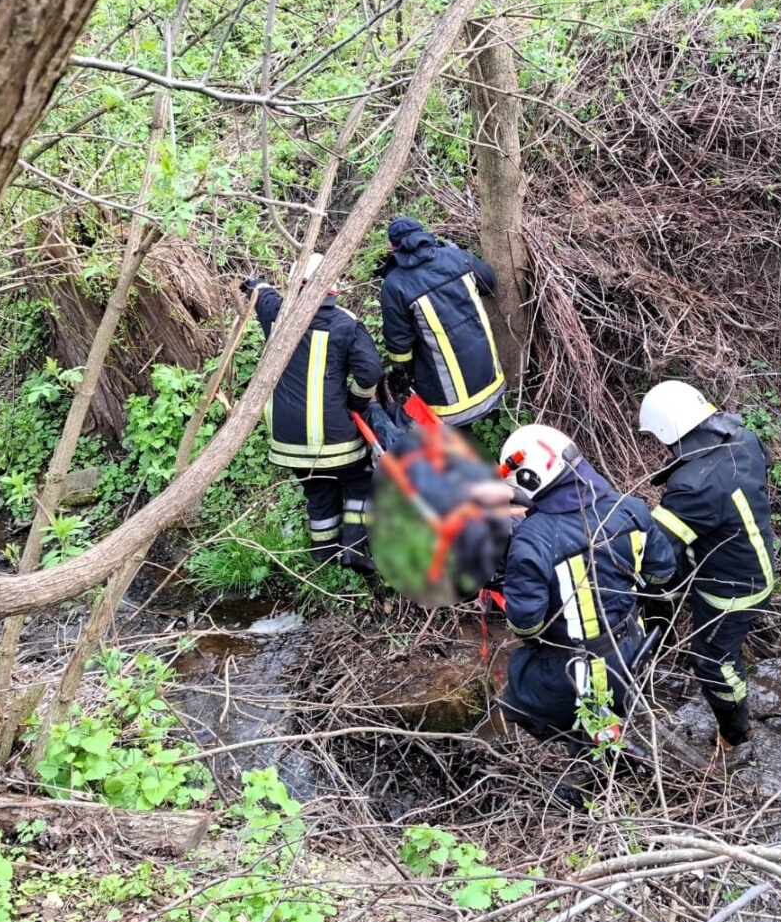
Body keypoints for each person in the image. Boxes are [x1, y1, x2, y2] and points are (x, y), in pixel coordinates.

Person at [495, 424, 677, 748]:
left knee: (518, 691)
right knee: (606, 732)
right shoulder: (630, 508)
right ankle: (610, 756)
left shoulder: (532, 539)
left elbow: (527, 624)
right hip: (633, 650)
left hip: (576, 671)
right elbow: (662, 573)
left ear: (530, 479)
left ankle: (593, 770)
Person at [639, 381, 776, 750]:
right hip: (750, 556)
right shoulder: (743, 438)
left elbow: (655, 547)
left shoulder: (693, 485)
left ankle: (737, 736)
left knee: (712, 662)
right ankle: (664, 638)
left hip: (730, 588)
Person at [241, 254, 381, 569]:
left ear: (298, 285)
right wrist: (357, 402)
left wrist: (253, 285)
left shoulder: (278, 314)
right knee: (360, 480)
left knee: (318, 490)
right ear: (333, 288)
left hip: (287, 439)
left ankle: (324, 554)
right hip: (335, 438)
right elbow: (370, 373)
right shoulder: (346, 324)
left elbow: (263, 295)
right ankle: (354, 550)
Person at [378, 216, 505, 429]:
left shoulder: (394, 285)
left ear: (393, 247)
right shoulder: (457, 256)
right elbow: (489, 282)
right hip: (495, 386)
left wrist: (402, 376)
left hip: (450, 410)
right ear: (423, 234)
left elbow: (399, 346)